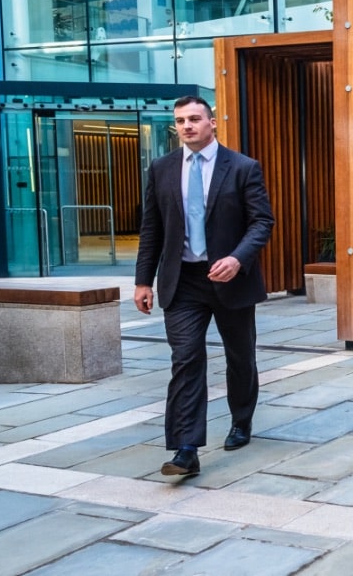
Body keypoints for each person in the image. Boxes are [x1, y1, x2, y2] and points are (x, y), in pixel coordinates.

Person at [134, 96, 274, 477]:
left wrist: (237, 258)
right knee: (186, 360)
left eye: (194, 119)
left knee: (240, 357)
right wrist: (143, 280)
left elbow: (262, 222)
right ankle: (185, 449)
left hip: (230, 279)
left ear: (212, 123)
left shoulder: (243, 167)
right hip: (182, 282)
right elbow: (152, 229)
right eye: (180, 121)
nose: (187, 126)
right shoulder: (161, 169)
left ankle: (241, 419)